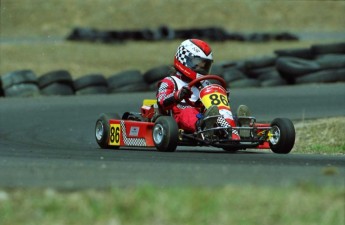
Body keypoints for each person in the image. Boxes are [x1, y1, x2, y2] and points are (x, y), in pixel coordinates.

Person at [156, 39, 243, 140]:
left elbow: (211, 105)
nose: (202, 68)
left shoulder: (204, 83)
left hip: (205, 115)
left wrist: (222, 96)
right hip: (178, 117)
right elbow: (161, 101)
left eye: (205, 65)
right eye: (198, 63)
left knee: (218, 111)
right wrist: (178, 95)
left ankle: (234, 127)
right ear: (184, 58)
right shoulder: (170, 81)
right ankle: (204, 126)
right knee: (188, 111)